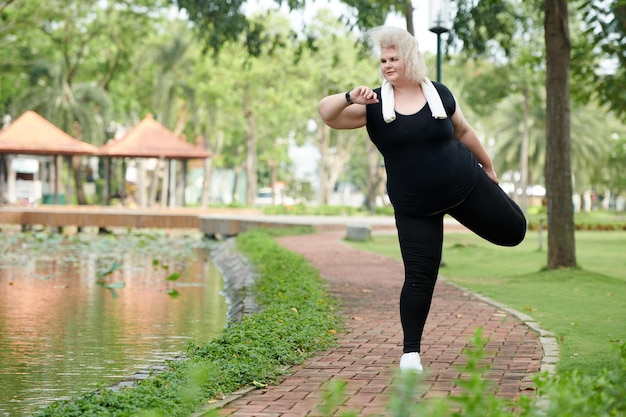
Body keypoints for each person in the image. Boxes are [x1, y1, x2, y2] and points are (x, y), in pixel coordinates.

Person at [318, 26, 527, 373]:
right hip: (416, 207)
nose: (386, 65)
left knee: (515, 230)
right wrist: (348, 97)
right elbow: (327, 115)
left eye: (393, 58)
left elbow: (464, 131)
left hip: (464, 184)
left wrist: (488, 166)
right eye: (382, 60)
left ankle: (483, 203)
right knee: (419, 275)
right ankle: (410, 355)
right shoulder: (372, 105)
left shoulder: (440, 95)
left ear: (409, 58)